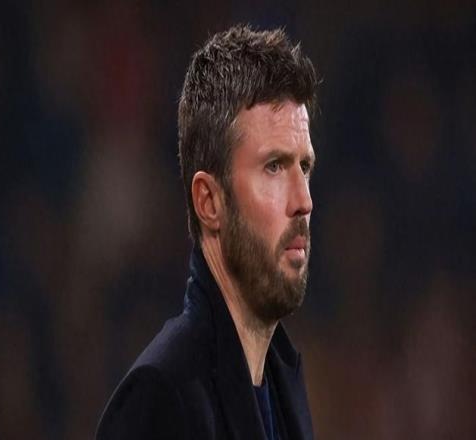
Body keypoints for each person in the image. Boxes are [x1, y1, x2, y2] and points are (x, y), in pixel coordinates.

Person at [96, 24, 318, 440]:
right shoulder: (161, 398)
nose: (303, 200)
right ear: (209, 201)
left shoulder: (282, 381)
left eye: (304, 167)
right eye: (274, 166)